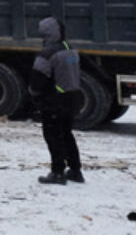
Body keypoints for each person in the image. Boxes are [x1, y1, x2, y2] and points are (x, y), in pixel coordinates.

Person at [29, 16, 84, 185]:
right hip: (72, 97)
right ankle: (75, 170)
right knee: (66, 134)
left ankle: (57, 172)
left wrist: (34, 94)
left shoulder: (46, 54)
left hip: (54, 101)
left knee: (53, 136)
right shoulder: (70, 50)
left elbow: (38, 80)